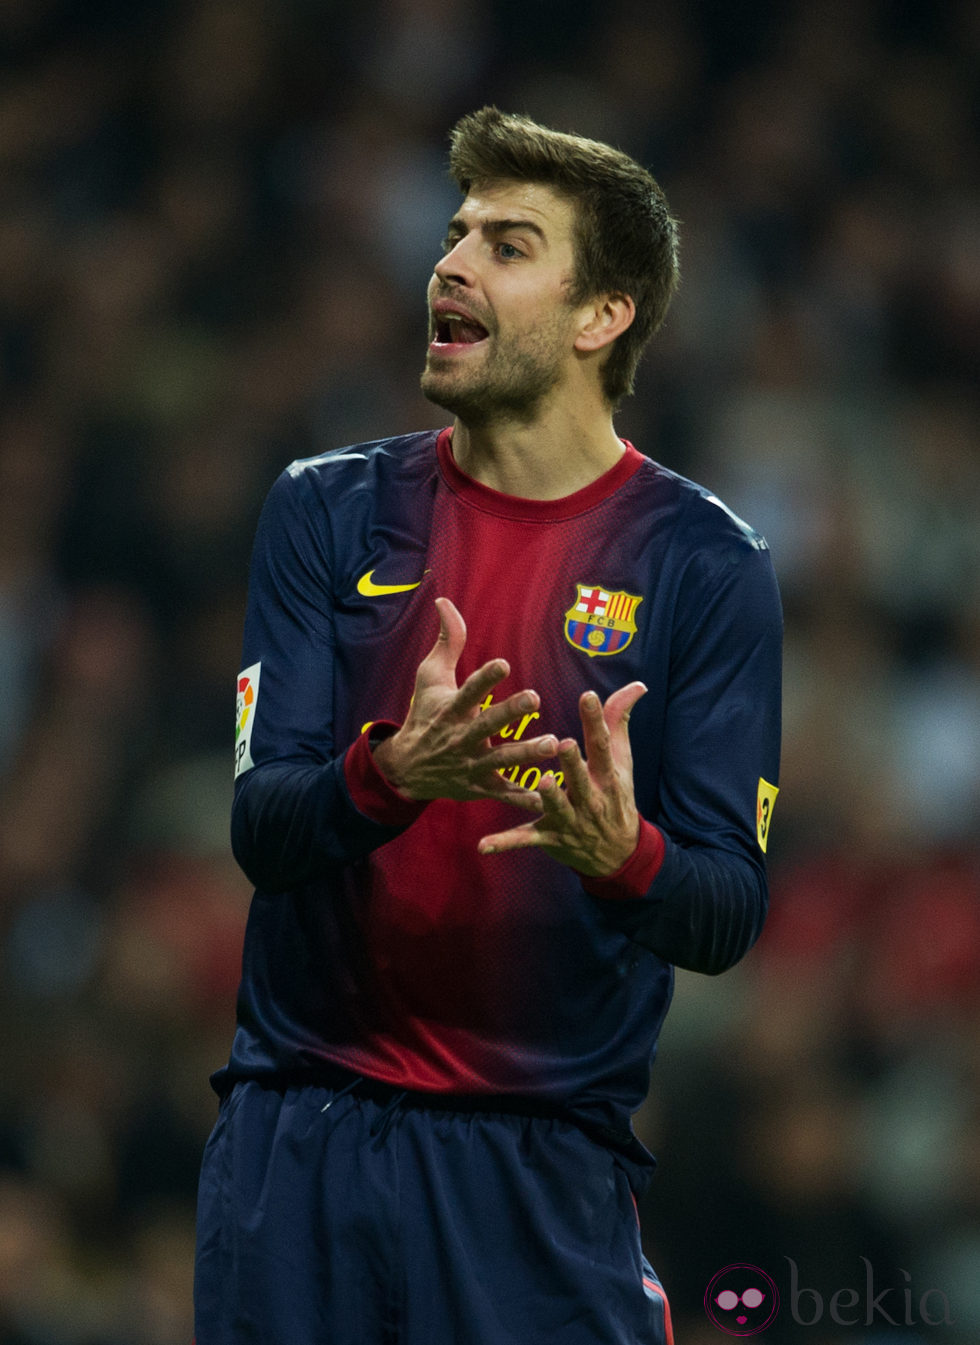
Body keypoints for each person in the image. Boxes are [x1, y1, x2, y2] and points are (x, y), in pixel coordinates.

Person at [194, 106, 782, 1345]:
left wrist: (619, 852)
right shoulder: (325, 511)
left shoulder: (704, 566)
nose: (449, 262)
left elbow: (724, 906)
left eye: (506, 244)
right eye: (454, 234)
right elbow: (261, 823)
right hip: (299, 1141)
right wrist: (390, 774)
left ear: (598, 315)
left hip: (539, 1176)